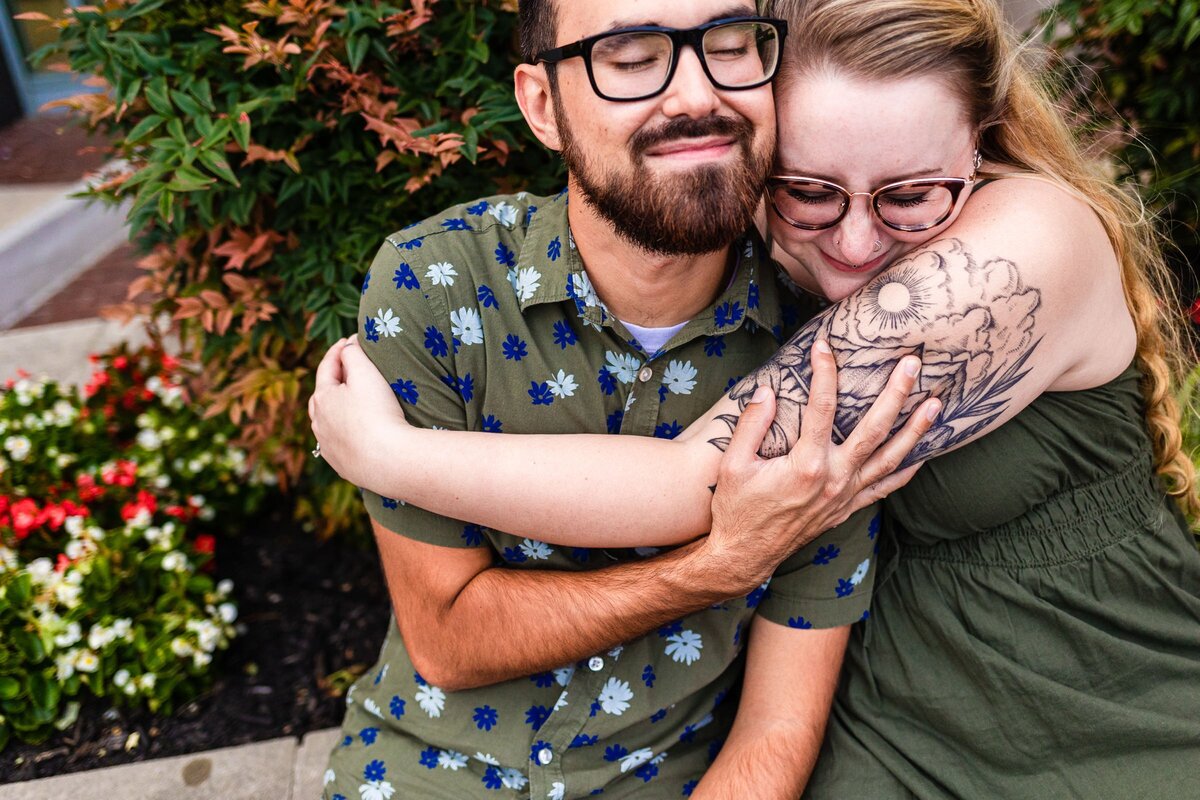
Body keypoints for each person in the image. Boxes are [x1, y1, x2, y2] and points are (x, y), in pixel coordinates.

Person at [312, 0, 1200, 796]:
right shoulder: (755, 277)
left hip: (1097, 689)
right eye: (807, 192)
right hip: (894, 707)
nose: (856, 246)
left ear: (982, 146)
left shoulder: (1024, 243)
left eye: (913, 196)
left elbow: (698, 477)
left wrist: (392, 458)